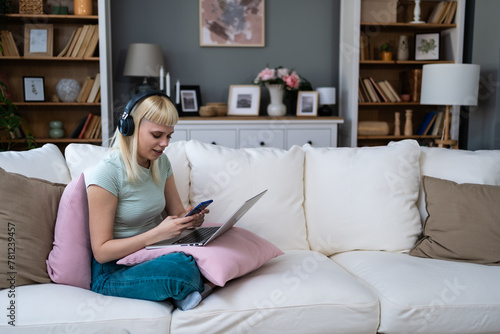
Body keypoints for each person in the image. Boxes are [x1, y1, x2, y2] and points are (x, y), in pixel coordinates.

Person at [87, 91, 211, 310]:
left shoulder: (161, 163)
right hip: (113, 270)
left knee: (212, 248)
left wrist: (190, 219)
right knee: (180, 268)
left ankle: (187, 287)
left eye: (169, 136)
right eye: (157, 135)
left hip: (151, 254)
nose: (164, 143)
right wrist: (157, 234)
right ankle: (189, 287)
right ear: (130, 128)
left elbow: (178, 213)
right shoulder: (107, 173)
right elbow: (101, 251)